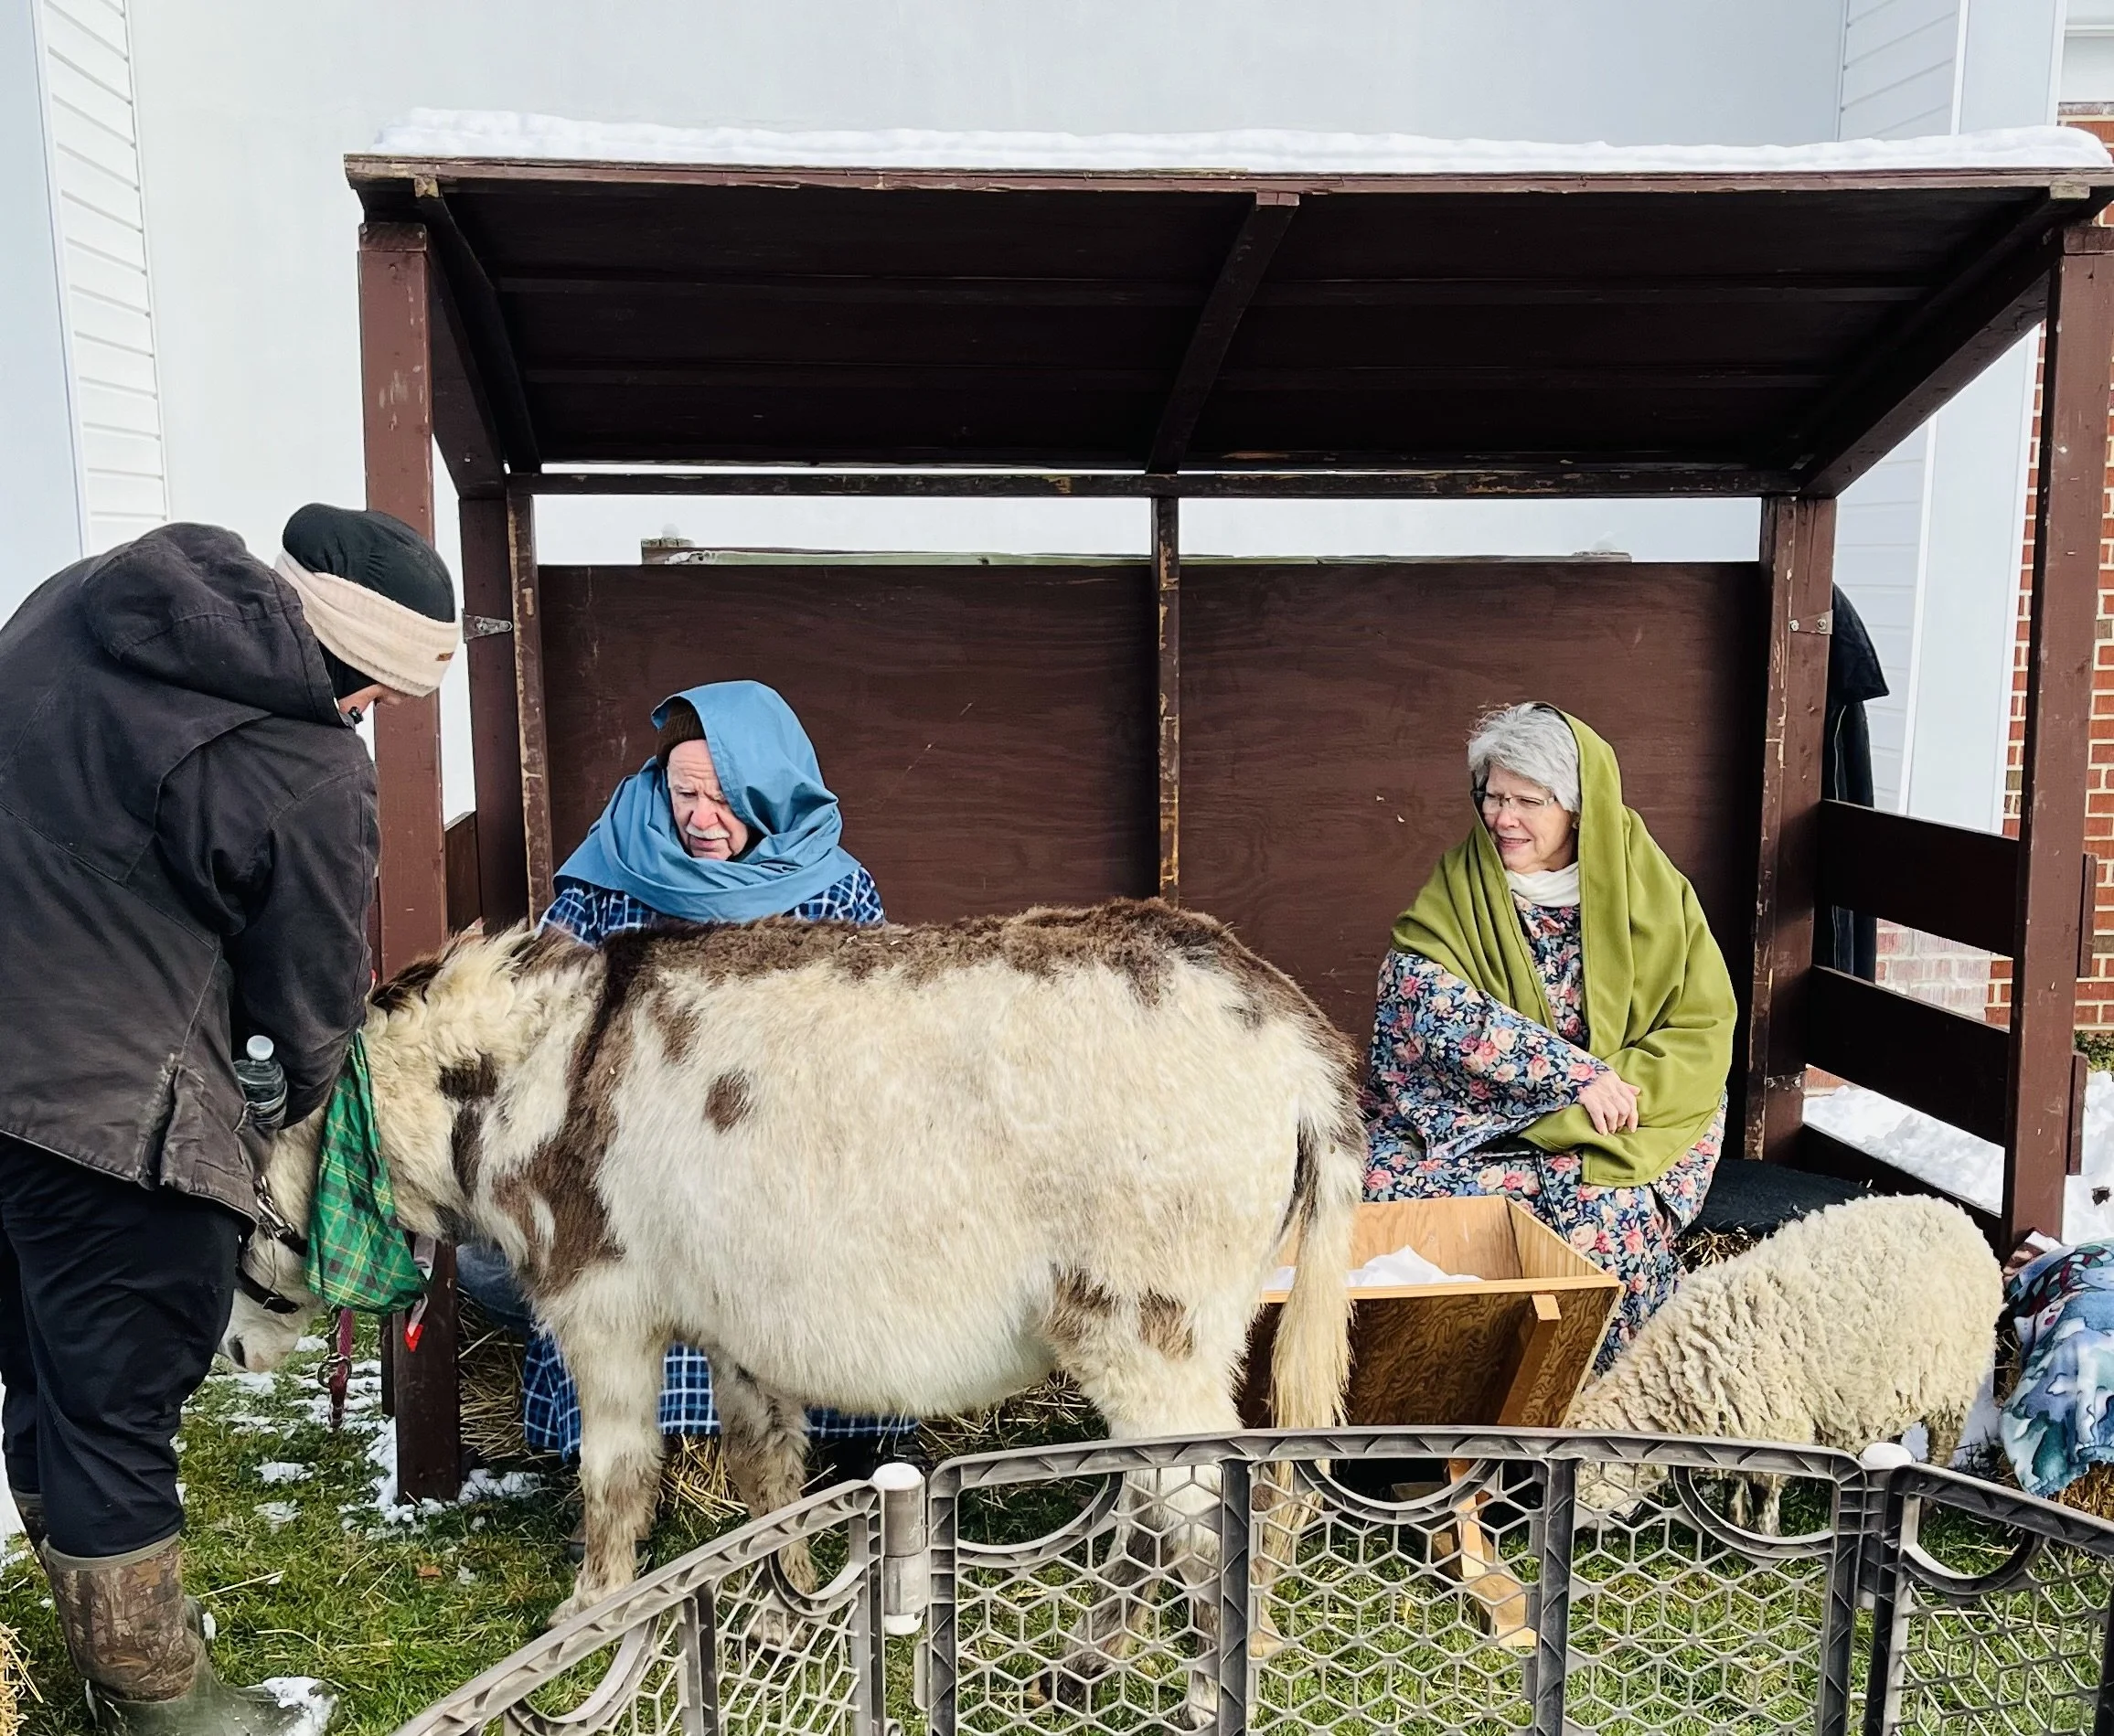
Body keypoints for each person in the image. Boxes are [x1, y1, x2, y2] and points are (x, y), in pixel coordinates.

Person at [0, 508, 457, 1731]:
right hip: (117, 1122)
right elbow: (309, 1001)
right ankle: (162, 1704)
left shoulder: (69, 607)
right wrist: (280, 1094)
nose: (373, 714)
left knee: (44, 1369)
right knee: (116, 1403)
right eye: (381, 692)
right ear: (356, 663)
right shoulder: (308, 764)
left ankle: (101, 1652)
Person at [452, 681, 911, 1497]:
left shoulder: (834, 890)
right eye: (683, 791)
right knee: (539, 1255)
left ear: (769, 795)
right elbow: (539, 1019)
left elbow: (872, 1047)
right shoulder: (613, 871)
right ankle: (635, 1458)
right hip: (638, 1158)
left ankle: (848, 1437)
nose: (698, 816)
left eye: (723, 797)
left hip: (784, 1148)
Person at [1363, 703, 1736, 1369]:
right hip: (1489, 1125)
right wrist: (1573, 1079)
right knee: (1381, 1194)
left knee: (1609, 1213)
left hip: (1631, 1126)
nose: (1501, 818)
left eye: (1526, 800)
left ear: (1577, 805)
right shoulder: (1462, 887)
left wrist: (1610, 1094)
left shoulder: (1651, 889)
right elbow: (1429, 1005)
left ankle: (1606, 1421)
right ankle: (1471, 1416)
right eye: (1493, 795)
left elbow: (1700, 1029)